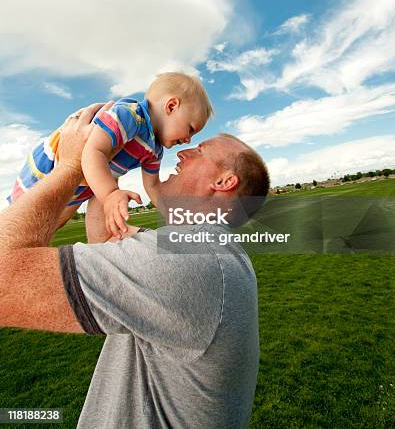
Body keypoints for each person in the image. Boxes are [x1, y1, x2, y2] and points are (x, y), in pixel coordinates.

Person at [0, 103, 270, 429]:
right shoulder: (204, 251)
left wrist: (71, 165)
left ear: (224, 181)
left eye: (199, 151)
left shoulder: (191, 260)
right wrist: (105, 168)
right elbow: (108, 243)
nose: (183, 152)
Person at [7, 72, 213, 239]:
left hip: (82, 186)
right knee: (22, 221)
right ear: (171, 106)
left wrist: (175, 215)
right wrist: (111, 194)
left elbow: (153, 186)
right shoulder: (129, 115)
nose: (188, 140)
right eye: (191, 128)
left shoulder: (155, 149)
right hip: (48, 169)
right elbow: (93, 151)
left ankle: (98, 241)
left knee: (51, 226)